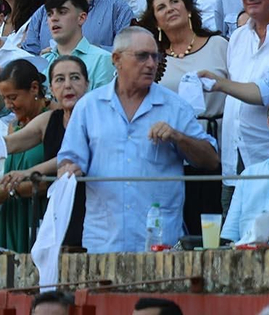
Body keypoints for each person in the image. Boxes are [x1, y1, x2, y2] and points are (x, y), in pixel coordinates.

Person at [56, 26, 218, 253]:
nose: (152, 64)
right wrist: (69, 170)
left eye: (155, 56)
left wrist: (178, 137)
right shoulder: (88, 106)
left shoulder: (175, 106)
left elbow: (211, 160)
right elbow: (69, 160)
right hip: (103, 241)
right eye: (142, 56)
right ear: (117, 59)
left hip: (161, 243)